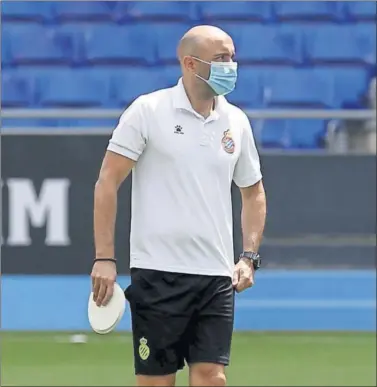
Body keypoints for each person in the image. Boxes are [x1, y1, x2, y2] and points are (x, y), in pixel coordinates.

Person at [91, 25, 267, 387]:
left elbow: (253, 191)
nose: (231, 65)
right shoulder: (148, 110)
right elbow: (108, 182)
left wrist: (248, 256)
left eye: (232, 57)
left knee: (212, 377)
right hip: (157, 273)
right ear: (190, 63)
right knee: (157, 382)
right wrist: (104, 258)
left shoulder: (236, 121)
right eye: (221, 58)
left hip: (216, 275)